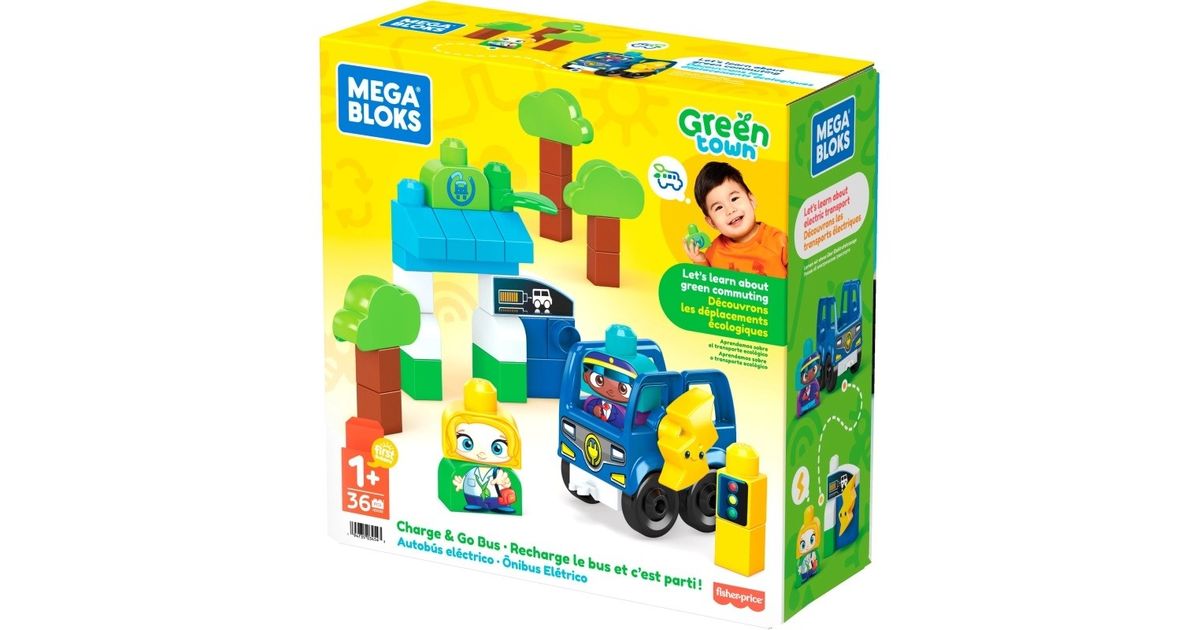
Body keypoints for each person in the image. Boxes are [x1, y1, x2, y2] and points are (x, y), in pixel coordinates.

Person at [682, 161, 788, 278]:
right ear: (711, 222)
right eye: (719, 207)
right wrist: (700, 260)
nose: (730, 210)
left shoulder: (779, 242)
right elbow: (707, 284)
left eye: (734, 199)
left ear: (751, 200)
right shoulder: (714, 252)